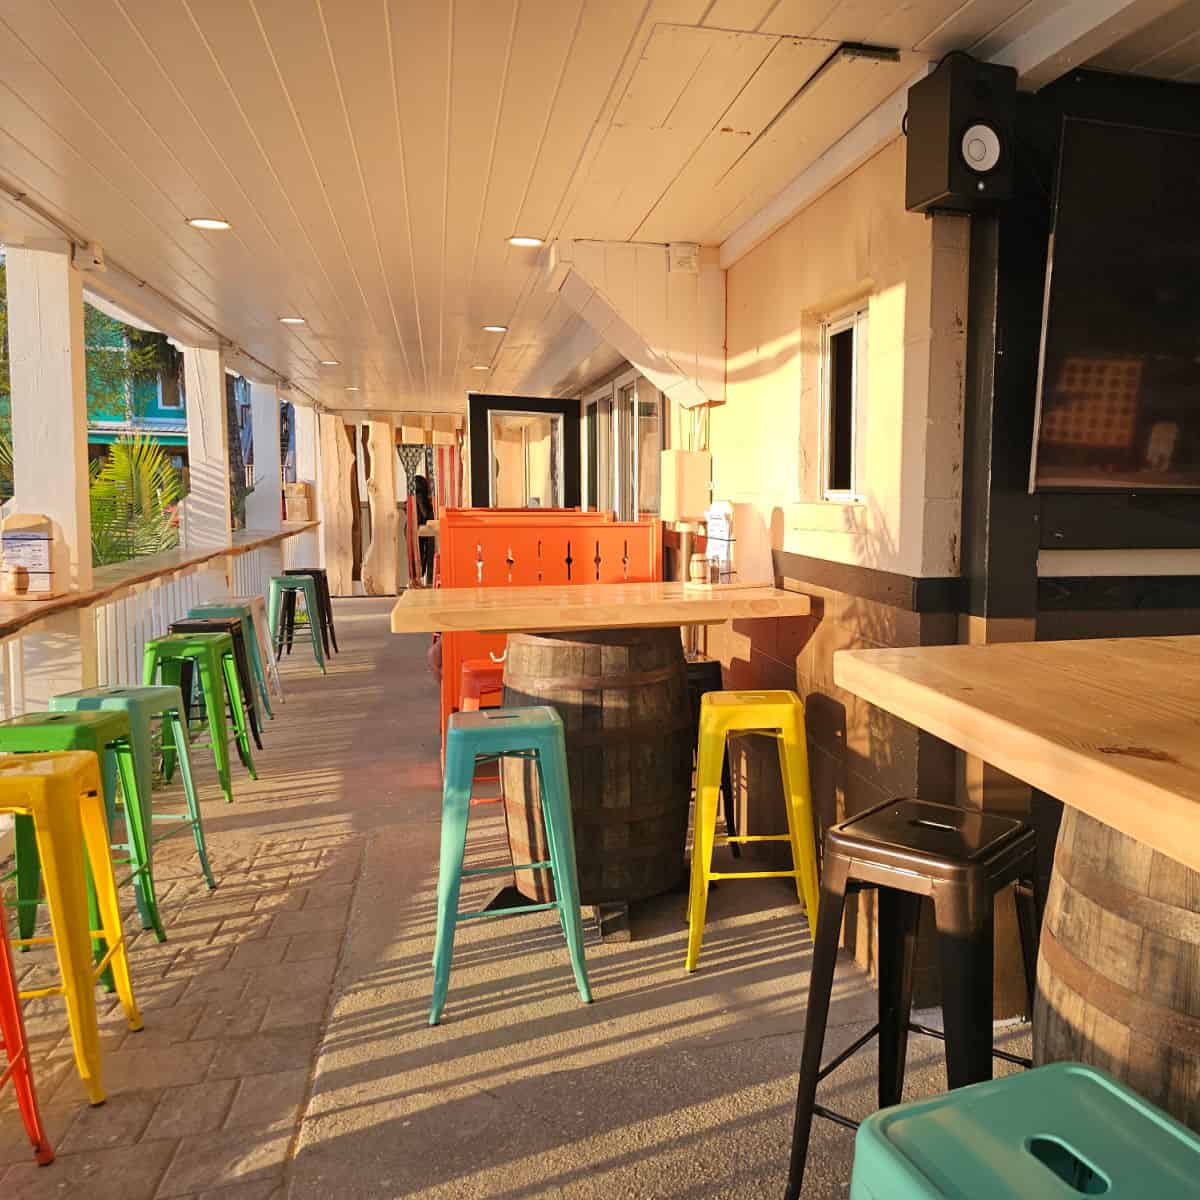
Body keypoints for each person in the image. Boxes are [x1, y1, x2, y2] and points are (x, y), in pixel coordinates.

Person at [411, 474, 435, 586]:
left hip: (416, 528)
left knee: (418, 554)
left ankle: (417, 578)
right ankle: (419, 577)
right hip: (421, 529)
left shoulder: (414, 497)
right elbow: (425, 513)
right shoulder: (420, 497)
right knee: (422, 554)